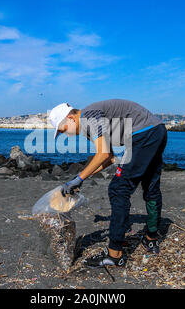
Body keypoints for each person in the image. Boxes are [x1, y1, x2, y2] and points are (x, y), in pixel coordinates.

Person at [48, 99, 168, 268]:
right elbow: (110, 157)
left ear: (71, 118)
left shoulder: (89, 116)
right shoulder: (89, 125)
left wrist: (78, 178)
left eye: (63, 129)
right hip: (157, 131)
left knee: (118, 189)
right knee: (151, 187)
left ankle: (115, 254)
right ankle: (151, 238)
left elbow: (103, 154)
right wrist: (81, 179)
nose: (66, 134)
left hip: (144, 135)